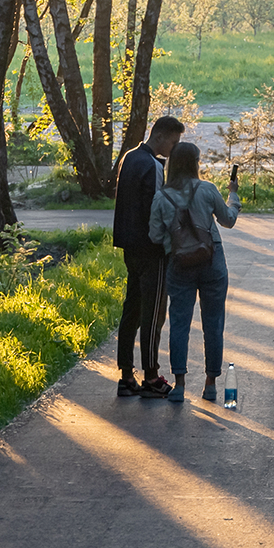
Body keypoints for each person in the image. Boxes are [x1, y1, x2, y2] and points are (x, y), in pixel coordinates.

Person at [148, 143, 241, 402]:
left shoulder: (161, 197)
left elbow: (154, 236)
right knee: (214, 323)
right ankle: (210, 383)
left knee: (179, 323)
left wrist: (175, 239)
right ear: (195, 163)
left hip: (179, 265)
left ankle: (179, 385)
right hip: (212, 262)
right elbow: (228, 220)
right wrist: (233, 196)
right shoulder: (207, 189)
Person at [112, 114, 185, 398]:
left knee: (131, 308)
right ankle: (152, 376)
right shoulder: (153, 165)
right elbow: (159, 208)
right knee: (154, 313)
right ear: (161, 136)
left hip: (129, 245)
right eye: (174, 142)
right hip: (151, 248)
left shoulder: (129, 157)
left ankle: (126, 375)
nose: (174, 148)